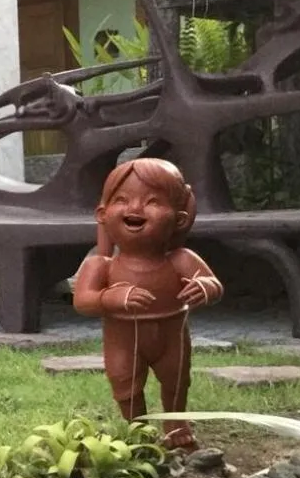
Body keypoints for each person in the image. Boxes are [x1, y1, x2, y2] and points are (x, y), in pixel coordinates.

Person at [72, 157, 223, 450]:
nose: (135, 208)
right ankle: (138, 430)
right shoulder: (101, 265)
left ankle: (176, 424)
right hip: (122, 340)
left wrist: (205, 287)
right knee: (125, 384)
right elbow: (82, 301)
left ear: (178, 219)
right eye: (122, 200)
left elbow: (214, 283)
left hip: (172, 337)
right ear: (102, 214)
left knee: (176, 380)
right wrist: (110, 297)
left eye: (152, 201)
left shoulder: (180, 259)